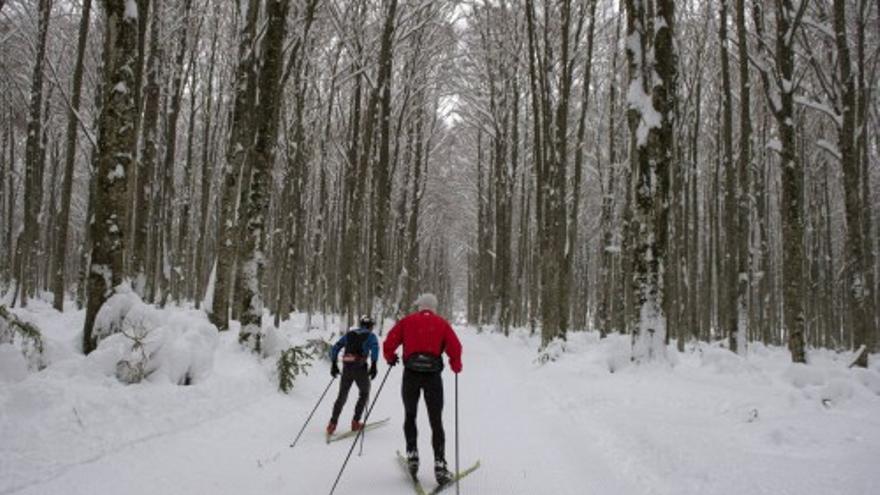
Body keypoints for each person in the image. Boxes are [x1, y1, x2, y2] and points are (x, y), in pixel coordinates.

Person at [383, 293, 462, 486]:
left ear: (420, 306)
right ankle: (440, 465)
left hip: (411, 375)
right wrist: (455, 364)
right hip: (432, 377)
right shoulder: (442, 323)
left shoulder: (407, 321)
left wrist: (390, 357)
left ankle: (412, 455)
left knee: (410, 415)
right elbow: (455, 347)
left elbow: (389, 343)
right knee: (436, 420)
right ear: (434, 307)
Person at [326, 315, 380, 435]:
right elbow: (375, 349)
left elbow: (336, 347)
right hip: (360, 368)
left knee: (342, 396)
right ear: (370, 326)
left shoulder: (350, 334)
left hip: (347, 367)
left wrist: (334, 363)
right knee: (364, 393)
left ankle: (332, 424)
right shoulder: (371, 336)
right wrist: (374, 365)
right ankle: (355, 422)